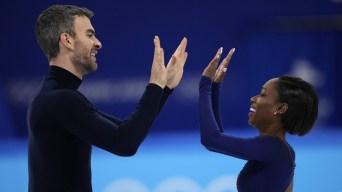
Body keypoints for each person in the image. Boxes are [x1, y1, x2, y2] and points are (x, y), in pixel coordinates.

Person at [27, 4, 188, 192]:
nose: (98, 43)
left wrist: (164, 87)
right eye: (89, 34)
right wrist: (156, 85)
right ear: (67, 40)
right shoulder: (62, 100)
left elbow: (125, 130)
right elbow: (125, 143)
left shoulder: (52, 96)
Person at [199, 47, 318, 192]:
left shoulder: (272, 148)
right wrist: (215, 86)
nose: (253, 99)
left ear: (280, 108)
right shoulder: (283, 151)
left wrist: (205, 83)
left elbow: (211, 139)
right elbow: (215, 141)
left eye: (262, 94)